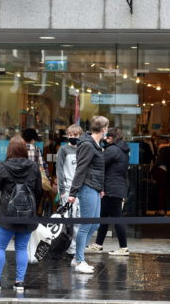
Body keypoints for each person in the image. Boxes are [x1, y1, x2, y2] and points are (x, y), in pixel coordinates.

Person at [0, 135, 42, 291]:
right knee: (21, 248)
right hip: (27, 215)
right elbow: (38, 191)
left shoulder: (4, 167)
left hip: (8, 214)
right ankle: (19, 282)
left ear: (9, 150)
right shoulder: (33, 167)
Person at [68, 115, 109, 274]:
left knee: (95, 224)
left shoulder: (96, 144)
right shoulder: (88, 145)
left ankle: (78, 257)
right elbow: (81, 168)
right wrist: (73, 192)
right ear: (104, 129)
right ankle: (79, 260)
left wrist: (101, 187)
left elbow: (97, 169)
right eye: (107, 127)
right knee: (86, 225)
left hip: (95, 187)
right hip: (87, 187)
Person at [88, 128, 130, 256]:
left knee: (117, 219)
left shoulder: (113, 149)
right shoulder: (123, 149)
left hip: (112, 189)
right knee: (103, 218)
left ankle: (123, 247)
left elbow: (99, 162)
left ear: (111, 138)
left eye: (107, 138)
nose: (105, 139)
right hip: (115, 188)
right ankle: (98, 244)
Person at [56, 124, 83, 255]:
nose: (72, 137)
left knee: (79, 218)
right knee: (68, 219)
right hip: (67, 189)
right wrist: (61, 190)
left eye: (75, 135)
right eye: (70, 135)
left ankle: (75, 247)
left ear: (80, 136)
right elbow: (59, 170)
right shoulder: (63, 150)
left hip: (81, 189)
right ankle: (66, 246)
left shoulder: (83, 149)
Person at [152, 141, 170, 215]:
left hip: (156, 170)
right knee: (163, 191)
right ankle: (162, 210)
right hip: (162, 171)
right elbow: (169, 164)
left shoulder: (164, 149)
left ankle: (159, 209)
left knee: (159, 191)